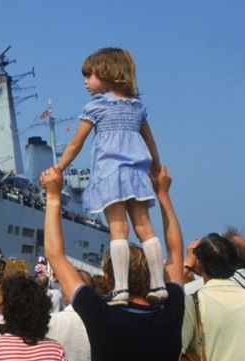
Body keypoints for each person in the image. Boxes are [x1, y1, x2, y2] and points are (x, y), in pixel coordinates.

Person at [41, 165, 196, 361]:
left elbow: (55, 256)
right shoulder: (172, 306)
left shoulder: (100, 316)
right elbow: (177, 255)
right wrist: (163, 194)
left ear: (110, 280)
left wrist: (53, 195)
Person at [54, 47, 166, 304]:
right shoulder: (138, 107)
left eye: (89, 75)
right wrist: (156, 169)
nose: (85, 81)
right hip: (137, 173)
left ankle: (122, 288)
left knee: (118, 230)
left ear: (107, 74)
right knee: (146, 229)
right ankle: (159, 286)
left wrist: (59, 167)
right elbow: (151, 143)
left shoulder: (96, 107)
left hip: (110, 174)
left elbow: (76, 144)